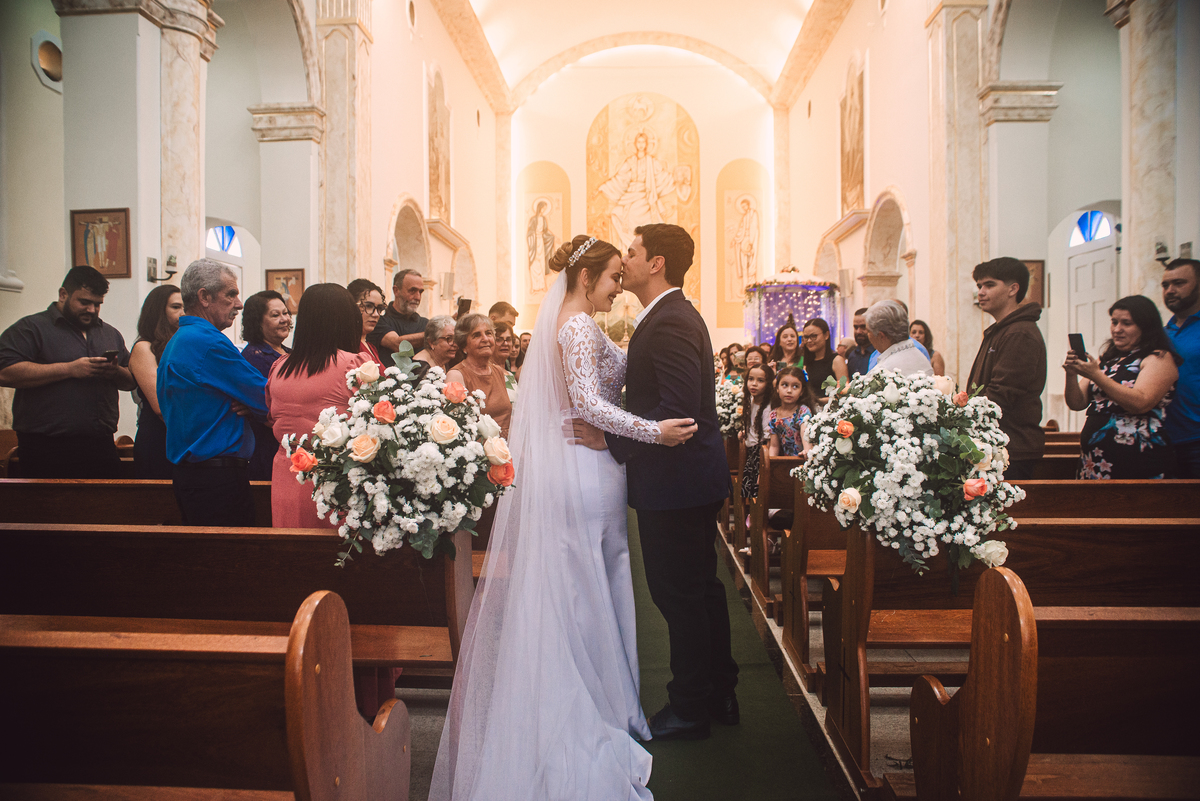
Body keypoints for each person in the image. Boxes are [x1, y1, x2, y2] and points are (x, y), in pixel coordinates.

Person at [429, 234, 697, 800]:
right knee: (587, 579)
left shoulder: (581, 323)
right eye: (612, 280)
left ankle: (611, 693)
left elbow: (602, 389)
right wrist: (654, 430)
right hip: (583, 466)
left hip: (592, 462)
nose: (618, 287)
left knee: (597, 574)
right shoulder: (575, 327)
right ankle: (598, 698)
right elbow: (586, 403)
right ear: (584, 279)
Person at [607, 223, 738, 742]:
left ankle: (689, 706)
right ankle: (718, 690)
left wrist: (612, 441)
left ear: (656, 262)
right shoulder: (665, 316)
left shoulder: (669, 321)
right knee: (700, 589)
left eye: (633, 251)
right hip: (685, 481)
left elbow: (678, 415)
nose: (627, 259)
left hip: (676, 482)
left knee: (679, 594)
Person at [158, 259, 268, 526]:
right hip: (217, 479)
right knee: (233, 561)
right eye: (230, 294)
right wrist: (252, 404)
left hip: (196, 476)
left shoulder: (179, 340)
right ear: (204, 297)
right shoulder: (208, 342)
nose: (239, 304)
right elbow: (265, 395)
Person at [0, 265, 135, 478]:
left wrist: (114, 372)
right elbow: (5, 372)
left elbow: (130, 382)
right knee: (49, 510)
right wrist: (69, 369)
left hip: (100, 444)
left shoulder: (109, 333)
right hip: (46, 448)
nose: (92, 309)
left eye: (97, 304)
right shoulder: (32, 328)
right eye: (84, 302)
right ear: (63, 294)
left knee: (106, 509)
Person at [266, 284, 369, 527]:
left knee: (292, 554)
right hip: (333, 481)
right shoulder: (352, 365)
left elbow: (272, 417)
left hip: (286, 475)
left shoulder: (279, 366)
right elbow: (377, 422)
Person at [1064, 295, 1180, 479]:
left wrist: (1096, 375)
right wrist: (1071, 374)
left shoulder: (1158, 358)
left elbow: (1140, 402)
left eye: (1126, 323)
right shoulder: (1107, 359)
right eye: (1114, 322)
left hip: (1139, 459)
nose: (1117, 329)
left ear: (1145, 326)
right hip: (1095, 460)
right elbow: (1077, 403)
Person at [968, 257, 1047, 480]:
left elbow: (1003, 393)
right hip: (998, 442)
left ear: (1013, 289)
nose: (981, 292)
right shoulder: (1003, 330)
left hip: (1012, 446)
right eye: (979, 286)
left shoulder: (1019, 333)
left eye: (989, 285)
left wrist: (962, 414)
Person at [129, 285, 185, 479]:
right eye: (176, 307)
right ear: (159, 311)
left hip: (184, 435)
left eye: (185, 307)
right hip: (159, 436)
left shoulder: (182, 344)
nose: (183, 313)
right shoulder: (144, 348)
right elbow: (161, 405)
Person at [240, 290, 292, 480]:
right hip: (269, 447)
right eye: (275, 315)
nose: (284, 319)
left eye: (285, 313)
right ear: (258, 322)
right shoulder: (254, 357)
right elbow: (268, 408)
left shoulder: (289, 352)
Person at [446, 314, 512, 439]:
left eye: (489, 333)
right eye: (477, 335)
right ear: (464, 345)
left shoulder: (498, 371)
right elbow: (455, 425)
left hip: (506, 448)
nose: (485, 339)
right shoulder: (456, 375)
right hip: (478, 451)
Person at [1162, 258, 1200, 477]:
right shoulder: (1161, 333)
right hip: (1163, 438)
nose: (1170, 290)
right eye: (1165, 285)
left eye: (1179, 283)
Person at [368, 268, 427, 361]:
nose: (417, 297)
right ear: (396, 290)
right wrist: (436, 334)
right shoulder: (378, 321)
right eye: (412, 291)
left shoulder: (426, 324)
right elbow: (398, 344)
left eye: (420, 292)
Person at [866, 300, 932, 377]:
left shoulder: (884, 371)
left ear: (881, 336)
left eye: (868, 331)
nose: (868, 336)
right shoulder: (921, 358)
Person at [740, 362, 775, 501]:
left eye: (760, 380)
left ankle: (755, 518)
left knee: (756, 490)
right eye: (751, 379)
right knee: (747, 489)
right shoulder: (750, 400)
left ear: (768, 383)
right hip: (751, 450)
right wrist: (745, 432)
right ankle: (750, 517)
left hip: (761, 451)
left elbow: (769, 437)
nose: (754, 384)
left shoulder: (768, 406)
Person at [768, 366, 817, 457]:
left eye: (795, 386)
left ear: (802, 391)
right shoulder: (773, 415)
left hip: (802, 459)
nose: (789, 390)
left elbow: (805, 433)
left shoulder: (802, 411)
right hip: (785, 462)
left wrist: (807, 450)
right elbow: (774, 446)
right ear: (777, 388)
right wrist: (771, 462)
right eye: (785, 385)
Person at [800, 317, 848, 395]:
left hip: (829, 405)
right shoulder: (808, 361)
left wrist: (818, 401)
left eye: (813, 336)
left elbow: (844, 393)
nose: (809, 340)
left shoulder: (837, 360)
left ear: (826, 335)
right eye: (806, 337)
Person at [347, 278, 387, 371]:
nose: (376, 314)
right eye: (369, 306)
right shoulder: (349, 347)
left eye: (379, 308)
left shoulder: (371, 347)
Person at [845, 308, 874, 376]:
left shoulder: (878, 354)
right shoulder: (852, 356)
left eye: (863, 327)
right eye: (856, 327)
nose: (858, 332)